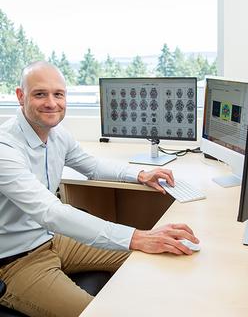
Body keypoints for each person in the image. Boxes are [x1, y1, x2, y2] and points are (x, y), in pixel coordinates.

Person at [0, 61, 199, 317]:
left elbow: (92, 166)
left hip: (52, 239)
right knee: (97, 313)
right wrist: (137, 236)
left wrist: (139, 174)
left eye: (58, 94)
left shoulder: (57, 134)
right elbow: (52, 213)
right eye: (40, 94)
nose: (51, 103)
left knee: (157, 258)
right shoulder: (5, 148)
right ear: (20, 96)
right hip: (17, 261)